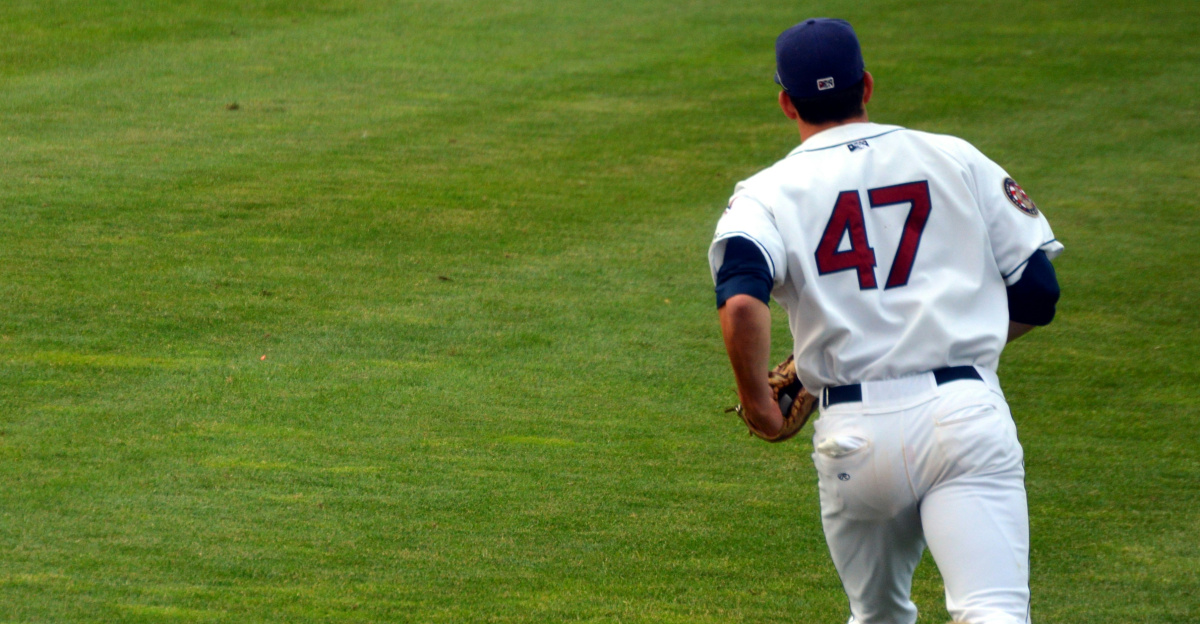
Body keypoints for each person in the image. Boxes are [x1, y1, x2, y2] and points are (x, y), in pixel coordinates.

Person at [709, 18, 1062, 624]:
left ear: (786, 102)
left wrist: (759, 403)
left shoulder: (766, 193)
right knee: (992, 610)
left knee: (877, 616)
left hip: (854, 430)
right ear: (866, 86)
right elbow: (1037, 292)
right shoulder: (954, 157)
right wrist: (942, 339)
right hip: (964, 418)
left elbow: (742, 302)